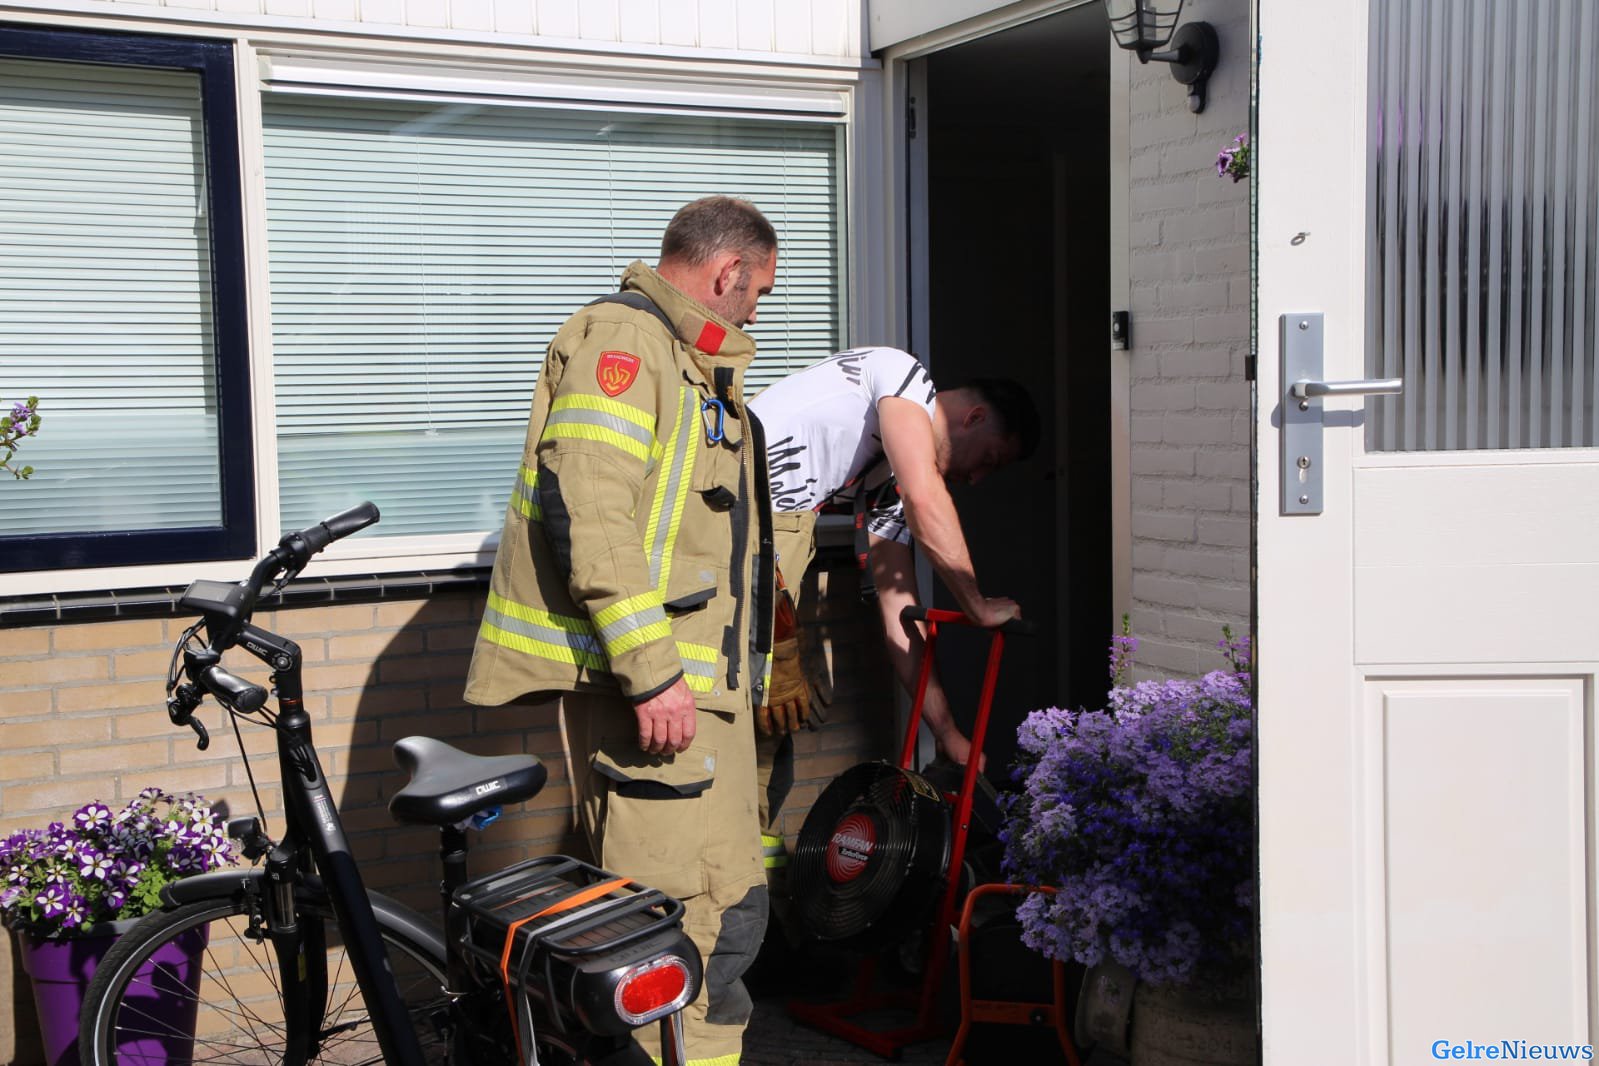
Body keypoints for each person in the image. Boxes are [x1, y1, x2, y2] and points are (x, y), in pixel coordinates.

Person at [464, 195, 780, 1066]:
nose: (755, 313)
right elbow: (592, 517)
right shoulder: (625, 344)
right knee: (671, 929)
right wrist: (651, 672)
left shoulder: (685, 359)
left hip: (705, 697)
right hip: (660, 696)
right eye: (757, 295)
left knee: (731, 915)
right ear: (727, 273)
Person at [746, 347, 1039, 831]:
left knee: (767, 764)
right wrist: (976, 603)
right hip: (715, 542)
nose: (977, 478)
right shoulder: (901, 375)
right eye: (989, 459)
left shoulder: (886, 485)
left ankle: (739, 897)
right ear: (975, 417)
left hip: (757, 571)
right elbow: (927, 496)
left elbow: (898, 608)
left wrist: (947, 734)